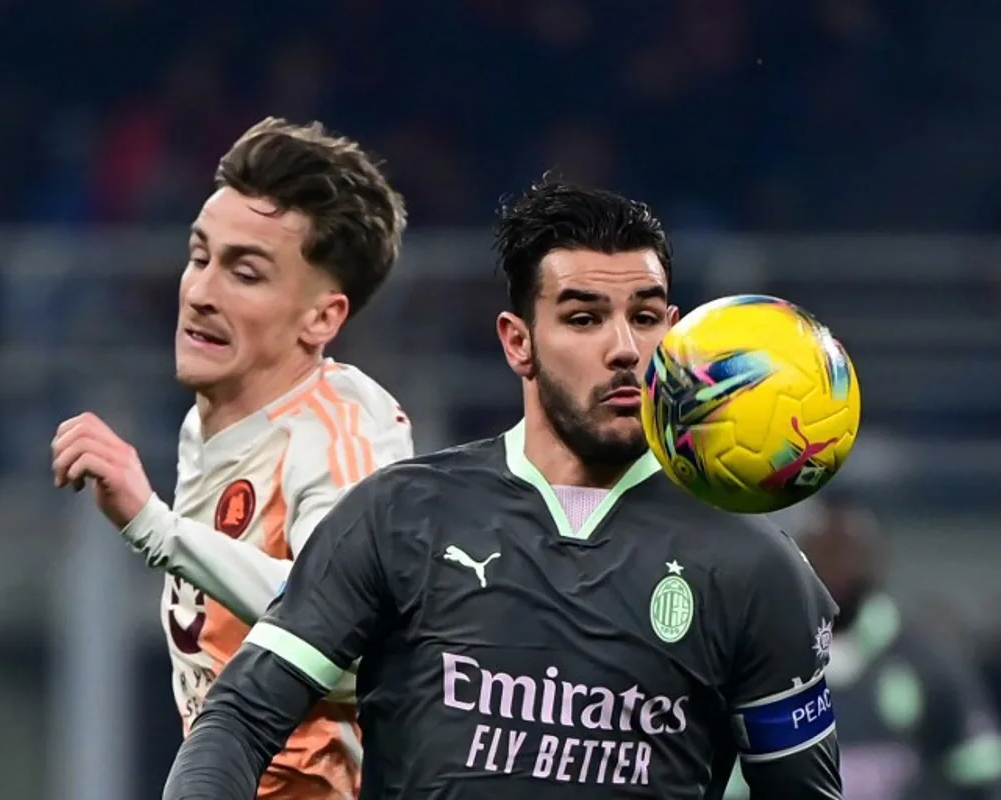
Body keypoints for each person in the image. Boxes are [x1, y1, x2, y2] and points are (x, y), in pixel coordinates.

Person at [161, 178, 842, 799]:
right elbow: (241, 716)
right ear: (518, 343)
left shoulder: (755, 565)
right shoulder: (400, 515)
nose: (625, 350)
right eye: (583, 318)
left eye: (645, 316)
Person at [49, 117, 413, 800]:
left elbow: (354, 644)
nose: (201, 292)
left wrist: (154, 527)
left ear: (322, 319)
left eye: (244, 272)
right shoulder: (212, 424)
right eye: (199, 256)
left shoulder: (340, 435)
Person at [729, 494, 1001, 799]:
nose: (835, 567)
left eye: (847, 551)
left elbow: (979, 767)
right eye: (823, 550)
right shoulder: (754, 666)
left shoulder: (927, 660)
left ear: (874, 559)